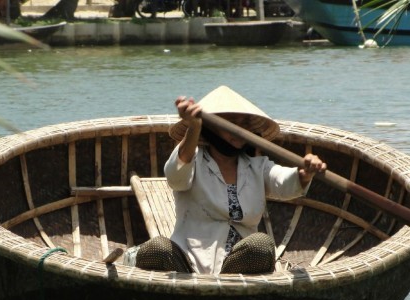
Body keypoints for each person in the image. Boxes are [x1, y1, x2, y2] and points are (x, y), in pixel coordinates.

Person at [135, 86, 327, 275]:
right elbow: (175, 177)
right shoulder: (193, 159)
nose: (238, 129)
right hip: (188, 265)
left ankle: (227, 290)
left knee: (261, 244)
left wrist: (305, 173)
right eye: (231, 123)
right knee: (157, 249)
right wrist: (194, 126)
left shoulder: (257, 167)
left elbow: (285, 183)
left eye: (244, 123)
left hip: (240, 269)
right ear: (210, 127)